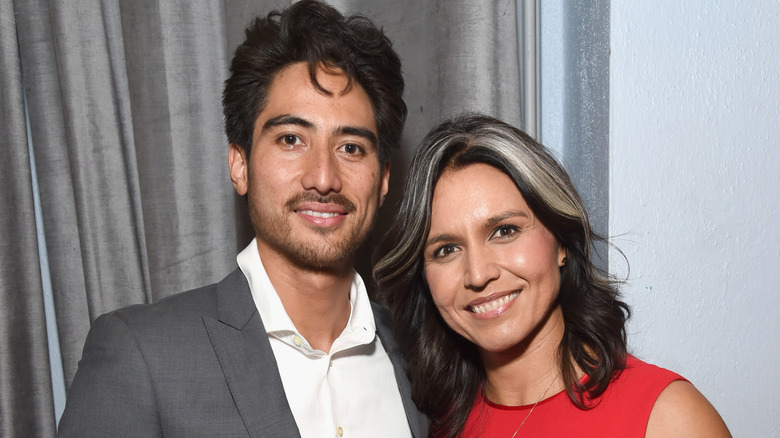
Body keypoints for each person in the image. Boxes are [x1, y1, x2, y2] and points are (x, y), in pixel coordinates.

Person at [58, 1, 427, 437]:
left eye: (351, 148)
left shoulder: (423, 357)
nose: (324, 178)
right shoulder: (141, 356)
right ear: (240, 165)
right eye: (291, 140)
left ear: (382, 180)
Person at [374, 113, 731, 438]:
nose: (478, 274)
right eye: (446, 250)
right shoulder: (428, 425)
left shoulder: (666, 420)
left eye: (505, 231)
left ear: (562, 241)